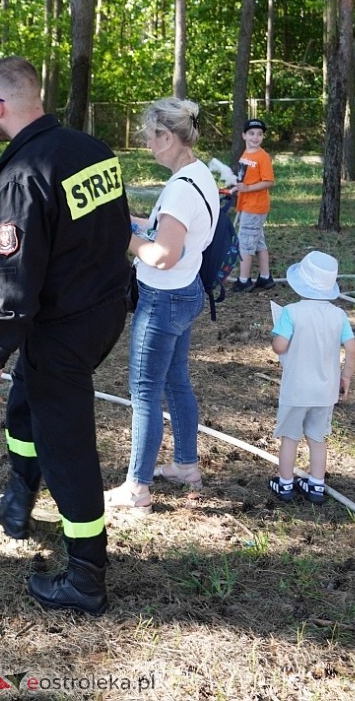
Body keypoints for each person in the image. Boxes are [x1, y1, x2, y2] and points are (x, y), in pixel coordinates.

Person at [0, 56, 130, 612]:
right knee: (25, 406)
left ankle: (86, 576)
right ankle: (18, 502)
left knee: (67, 447)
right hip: (102, 311)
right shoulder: (92, 150)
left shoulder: (22, 175)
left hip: (64, 328)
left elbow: (14, 279)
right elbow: (118, 231)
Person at [104, 98, 218, 514]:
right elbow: (166, 233)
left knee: (144, 391)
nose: (147, 144)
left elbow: (163, 255)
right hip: (186, 291)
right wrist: (127, 222)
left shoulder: (180, 190)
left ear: (168, 137)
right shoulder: (199, 175)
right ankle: (186, 465)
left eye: (150, 136)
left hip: (163, 297)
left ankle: (137, 488)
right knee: (176, 381)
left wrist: (121, 239)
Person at [266, 252, 355, 505]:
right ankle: (316, 485)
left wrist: (277, 337)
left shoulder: (291, 312)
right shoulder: (339, 315)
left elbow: (280, 346)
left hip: (296, 390)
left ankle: (285, 484)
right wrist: (346, 376)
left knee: (290, 438)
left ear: (300, 283)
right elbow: (352, 348)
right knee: (317, 438)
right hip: (325, 391)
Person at [228, 118, 276, 292]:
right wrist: (238, 186)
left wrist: (248, 188)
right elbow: (246, 178)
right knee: (258, 242)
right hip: (246, 204)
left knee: (245, 244)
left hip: (255, 207)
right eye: (252, 133)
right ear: (244, 135)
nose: (255, 137)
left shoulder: (262, 157)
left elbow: (268, 181)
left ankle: (244, 280)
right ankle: (265, 277)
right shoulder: (246, 154)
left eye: (259, 134)